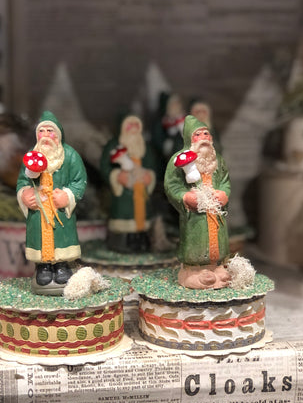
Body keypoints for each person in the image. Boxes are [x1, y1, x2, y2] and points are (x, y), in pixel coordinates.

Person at [16, 111, 87, 293]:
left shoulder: (70, 156)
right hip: (39, 210)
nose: (46, 136)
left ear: (59, 134)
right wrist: (25, 194)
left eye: (50, 131)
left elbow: (79, 180)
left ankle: (62, 265)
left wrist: (67, 196)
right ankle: (43, 267)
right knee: (40, 238)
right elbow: (22, 181)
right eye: (42, 131)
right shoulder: (31, 156)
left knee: (61, 237)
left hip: (59, 211)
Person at [164, 115, 231, 289]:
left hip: (215, 213)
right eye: (198, 135)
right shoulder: (178, 159)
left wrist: (224, 194)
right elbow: (172, 185)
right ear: (189, 139)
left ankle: (216, 268)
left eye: (206, 134)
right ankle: (192, 271)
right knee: (196, 242)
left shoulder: (218, 160)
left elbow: (225, 181)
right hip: (195, 217)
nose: (203, 138)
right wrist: (185, 197)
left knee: (218, 242)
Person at [100, 114, 157, 253]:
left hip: (141, 191)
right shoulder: (113, 145)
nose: (133, 129)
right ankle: (121, 242)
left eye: (136, 125)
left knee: (143, 216)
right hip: (123, 197)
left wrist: (150, 176)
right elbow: (105, 167)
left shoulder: (146, 147)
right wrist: (117, 176)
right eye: (130, 125)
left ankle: (142, 240)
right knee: (124, 215)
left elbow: (154, 166)